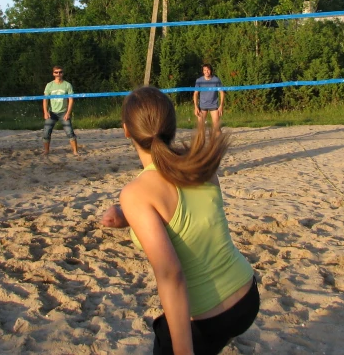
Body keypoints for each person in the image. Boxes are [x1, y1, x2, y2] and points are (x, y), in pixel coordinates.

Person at [101, 86, 258, 355]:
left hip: (209, 316)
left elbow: (171, 275)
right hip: (247, 296)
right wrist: (127, 215)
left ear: (126, 130)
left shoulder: (136, 192)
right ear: (172, 126)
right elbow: (179, 207)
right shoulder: (198, 164)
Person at [42, 65, 78, 155]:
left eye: (60, 72)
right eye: (56, 72)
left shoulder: (67, 85)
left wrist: (68, 113)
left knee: (70, 132)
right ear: (53, 73)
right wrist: (45, 112)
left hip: (63, 112)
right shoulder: (49, 85)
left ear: (63, 73)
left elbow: (71, 99)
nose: (58, 74)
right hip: (52, 112)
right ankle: (46, 151)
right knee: (46, 132)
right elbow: (45, 99)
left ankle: (75, 151)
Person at [193, 64, 225, 133]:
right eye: (205, 70)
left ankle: (219, 143)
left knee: (217, 128)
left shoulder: (216, 80)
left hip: (213, 105)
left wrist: (221, 106)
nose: (206, 71)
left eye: (208, 70)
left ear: (211, 71)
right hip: (202, 106)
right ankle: (201, 143)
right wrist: (195, 107)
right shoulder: (199, 80)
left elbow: (222, 93)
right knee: (200, 128)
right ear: (203, 71)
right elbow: (195, 94)